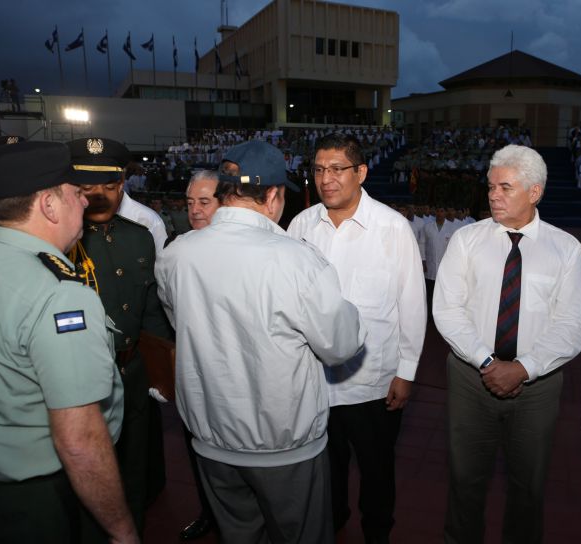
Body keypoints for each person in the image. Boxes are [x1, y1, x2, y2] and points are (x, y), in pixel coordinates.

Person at [156, 140, 365, 544]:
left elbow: (181, 322)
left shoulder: (177, 255)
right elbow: (340, 346)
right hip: (284, 449)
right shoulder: (298, 260)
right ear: (272, 195)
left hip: (212, 441)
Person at [0, 141, 136, 543]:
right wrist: (122, 530)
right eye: (76, 192)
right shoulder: (58, 294)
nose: (85, 201)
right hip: (43, 499)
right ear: (49, 205)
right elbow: (78, 440)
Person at [433, 144, 581, 543]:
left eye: (505, 187)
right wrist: (488, 362)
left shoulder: (566, 249)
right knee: (465, 482)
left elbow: (571, 325)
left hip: (538, 387)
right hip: (471, 379)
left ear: (534, 192)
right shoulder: (466, 239)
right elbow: (448, 310)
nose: (493, 195)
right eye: (490, 186)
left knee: (529, 488)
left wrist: (523, 368)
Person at [287, 133, 427, 543]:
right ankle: (332, 522)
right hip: (314, 380)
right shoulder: (301, 225)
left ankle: (377, 532)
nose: (325, 179)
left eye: (336, 169)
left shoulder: (392, 228)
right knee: (324, 468)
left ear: (360, 172)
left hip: (373, 381)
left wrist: (407, 371)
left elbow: (412, 304)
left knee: (377, 469)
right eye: (318, 170)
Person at [68, 137, 173, 540]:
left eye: (110, 185)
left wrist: (161, 371)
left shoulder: (138, 235)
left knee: (134, 474)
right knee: (86, 477)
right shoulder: (60, 241)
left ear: (123, 184)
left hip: (131, 372)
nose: (100, 196)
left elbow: (150, 311)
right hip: (80, 381)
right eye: (88, 187)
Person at [175, 168, 222, 542]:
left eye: (204, 201)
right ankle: (209, 511)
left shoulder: (251, 251)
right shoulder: (177, 251)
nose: (195, 210)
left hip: (240, 378)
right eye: (190, 202)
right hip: (194, 374)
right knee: (197, 449)